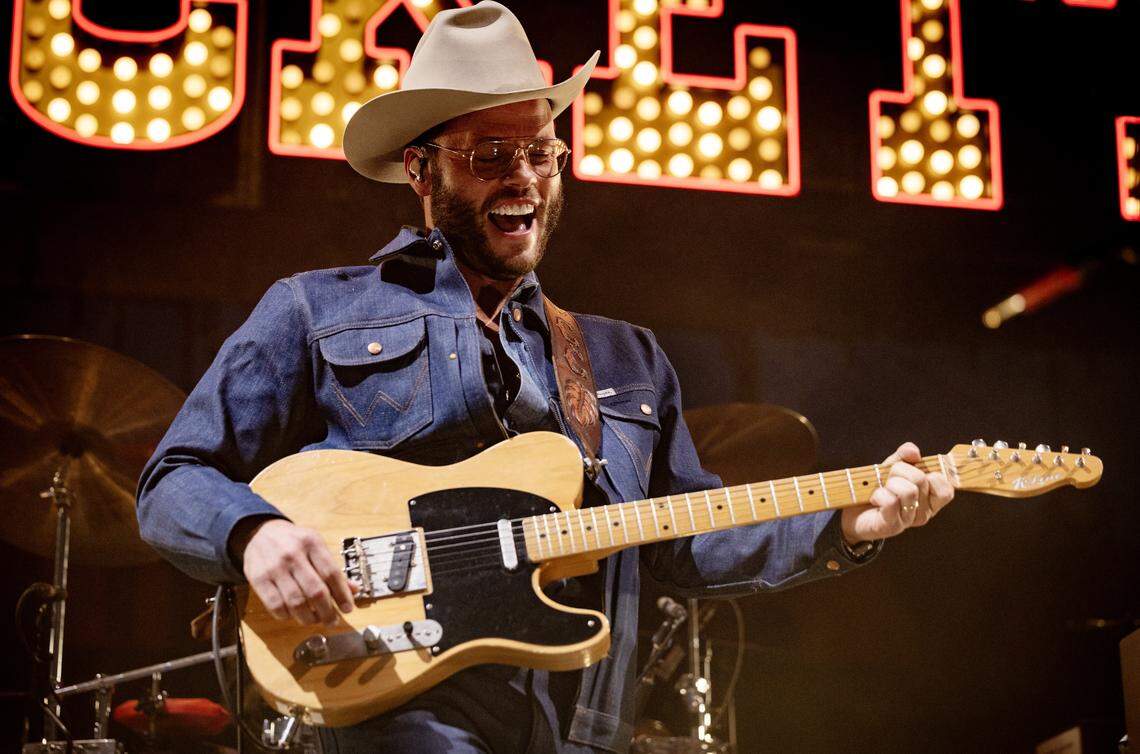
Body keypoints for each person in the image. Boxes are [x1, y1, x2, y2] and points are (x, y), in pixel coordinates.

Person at [136, 3, 954, 752]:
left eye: (540, 151)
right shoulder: (314, 310)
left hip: (581, 719)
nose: (523, 175)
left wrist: (845, 526)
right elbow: (172, 479)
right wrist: (254, 533)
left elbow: (684, 541)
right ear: (423, 172)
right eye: (490, 154)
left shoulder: (622, 357)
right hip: (388, 695)